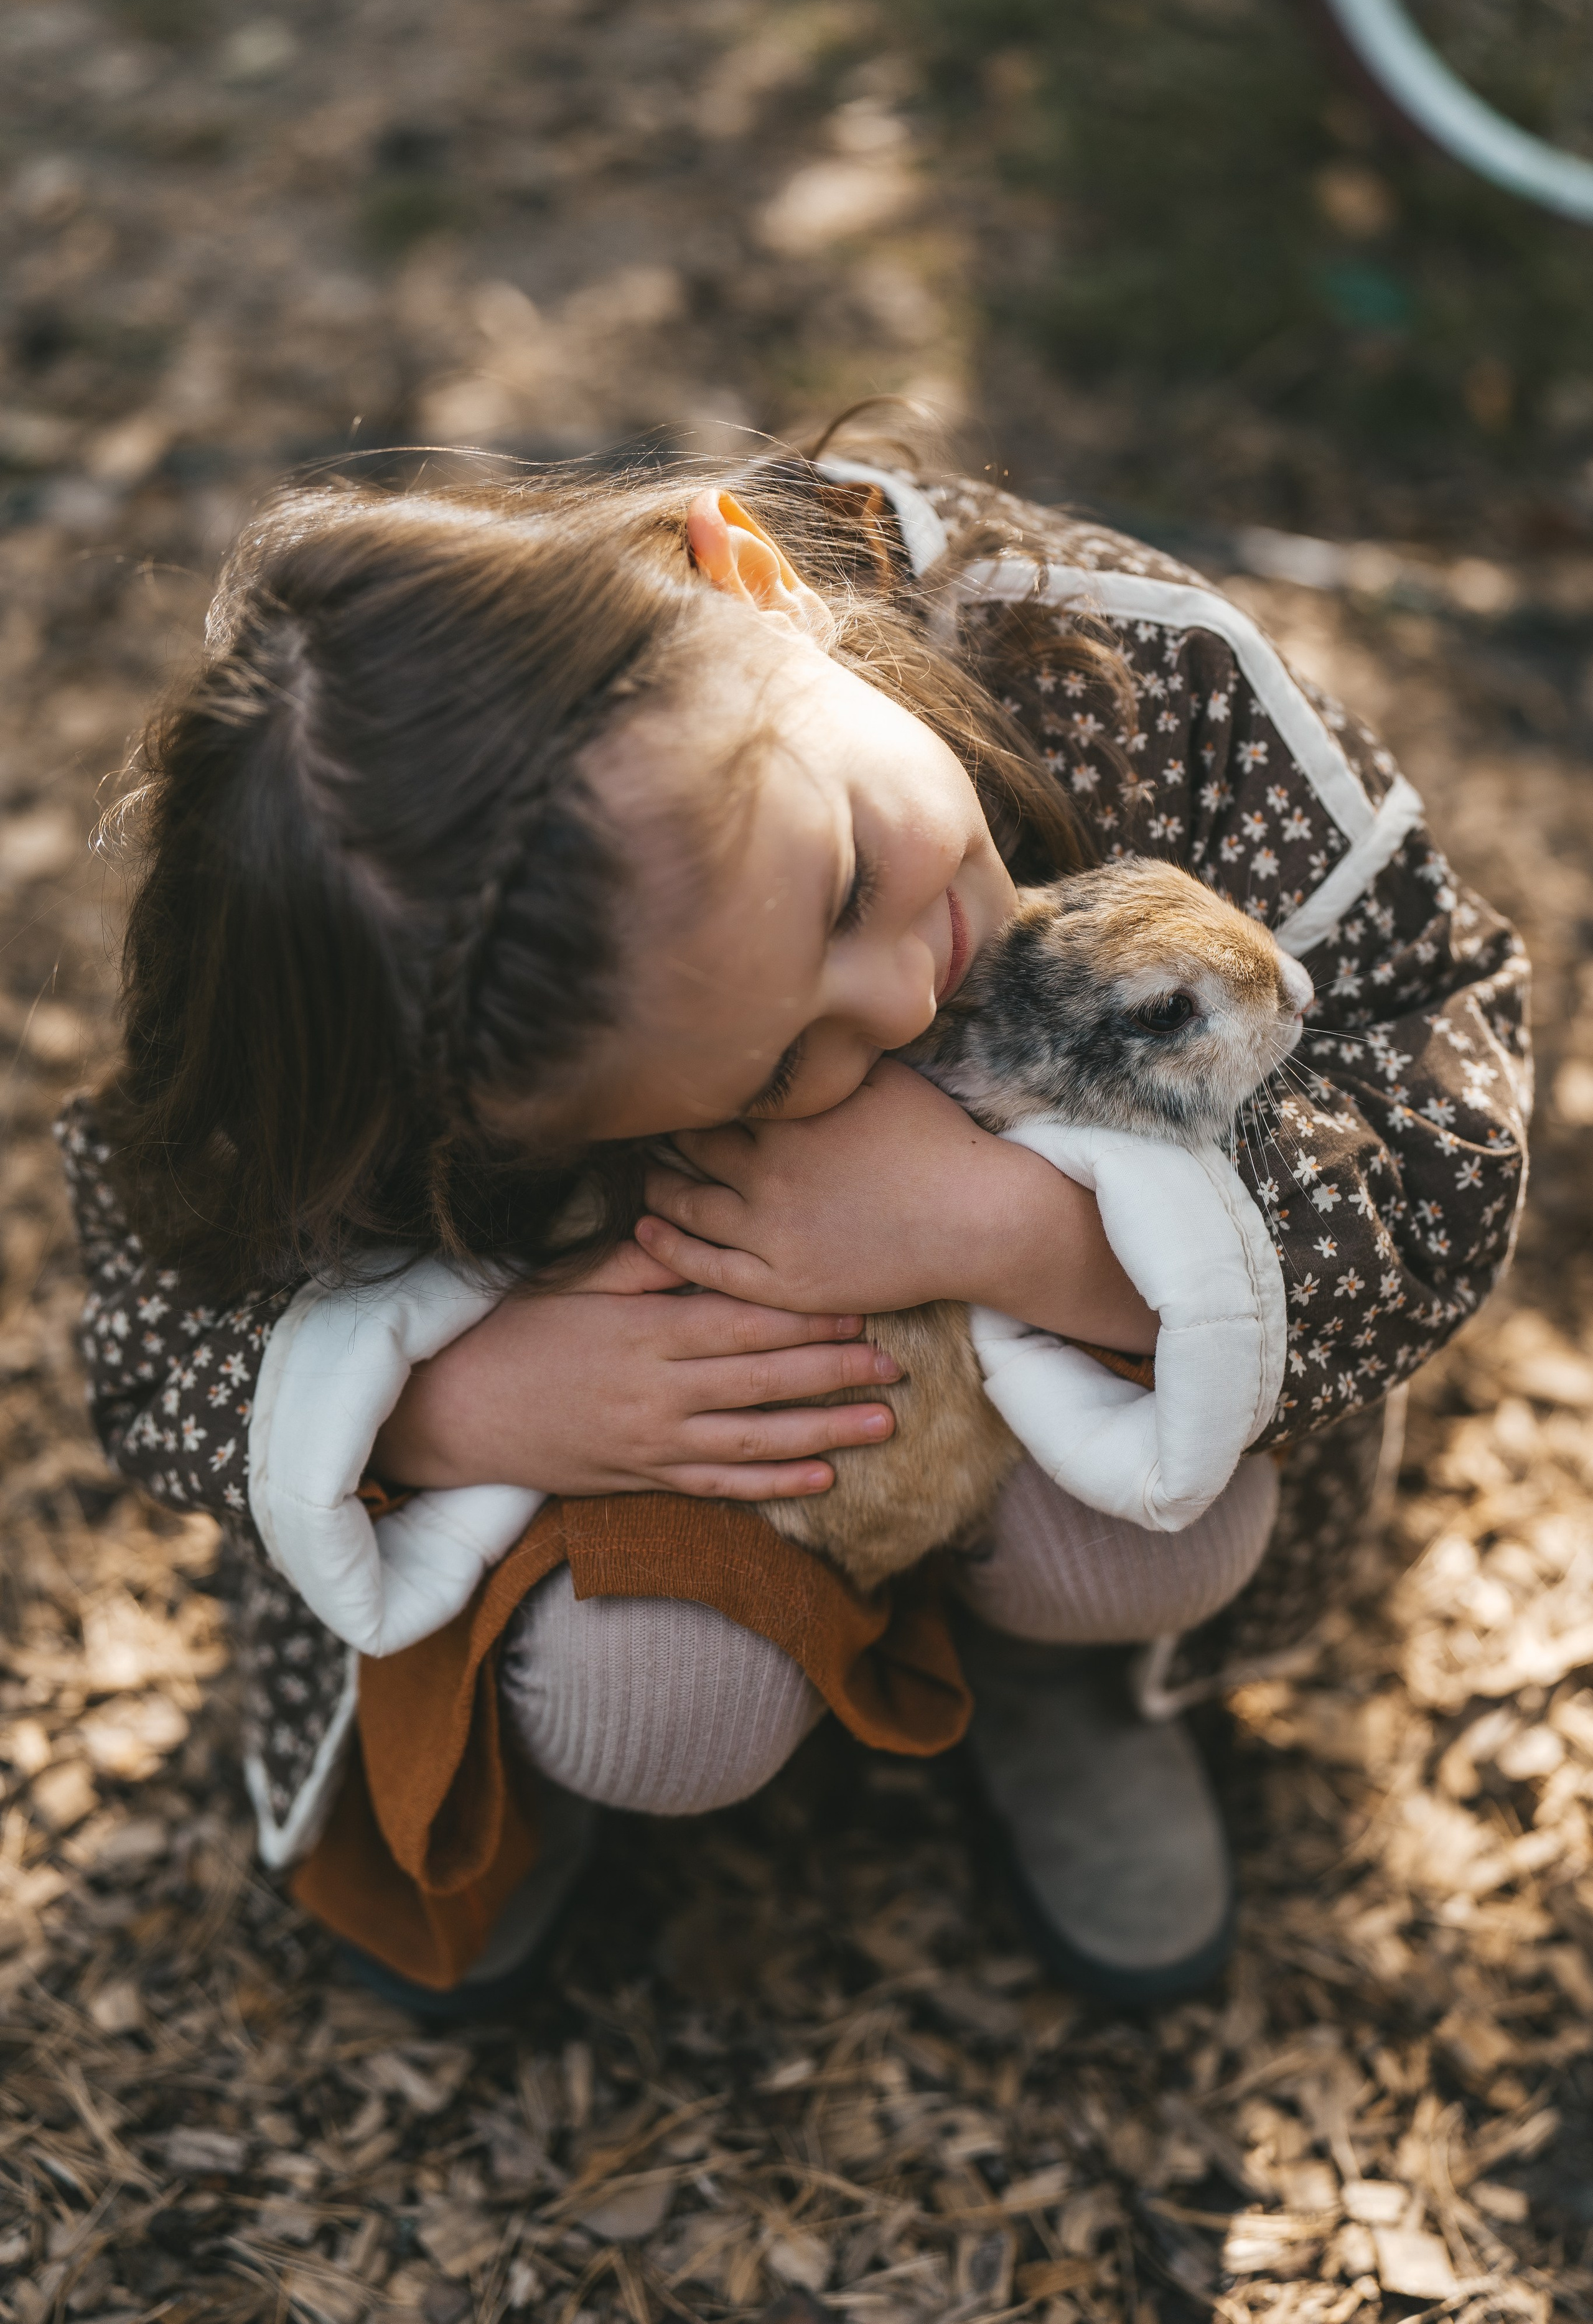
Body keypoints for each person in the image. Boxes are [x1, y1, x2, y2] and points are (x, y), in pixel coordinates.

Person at [59, 436, 1530, 2012]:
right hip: (687, 1461)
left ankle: (1067, 1675)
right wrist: (449, 1407)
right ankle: (509, 1696)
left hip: (1051, 1406)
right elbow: (162, 1326)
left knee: (1133, 1545)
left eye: (841, 885)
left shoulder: (1133, 672)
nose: (903, 993)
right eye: (769, 1073)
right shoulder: (367, 986)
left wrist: (1025, 1239)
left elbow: (1448, 1097)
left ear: (752, 582)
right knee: (650, 1703)